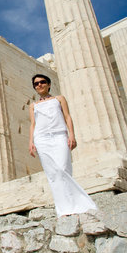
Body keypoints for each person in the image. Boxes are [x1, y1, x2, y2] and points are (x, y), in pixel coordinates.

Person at [29, 74, 97, 217]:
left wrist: (71, 134)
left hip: (59, 136)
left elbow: (67, 116)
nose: (39, 85)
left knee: (63, 169)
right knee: (52, 174)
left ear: (48, 84)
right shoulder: (33, 105)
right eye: (36, 84)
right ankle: (64, 209)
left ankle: (81, 204)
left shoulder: (59, 99)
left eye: (42, 82)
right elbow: (33, 124)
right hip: (41, 139)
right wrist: (31, 142)